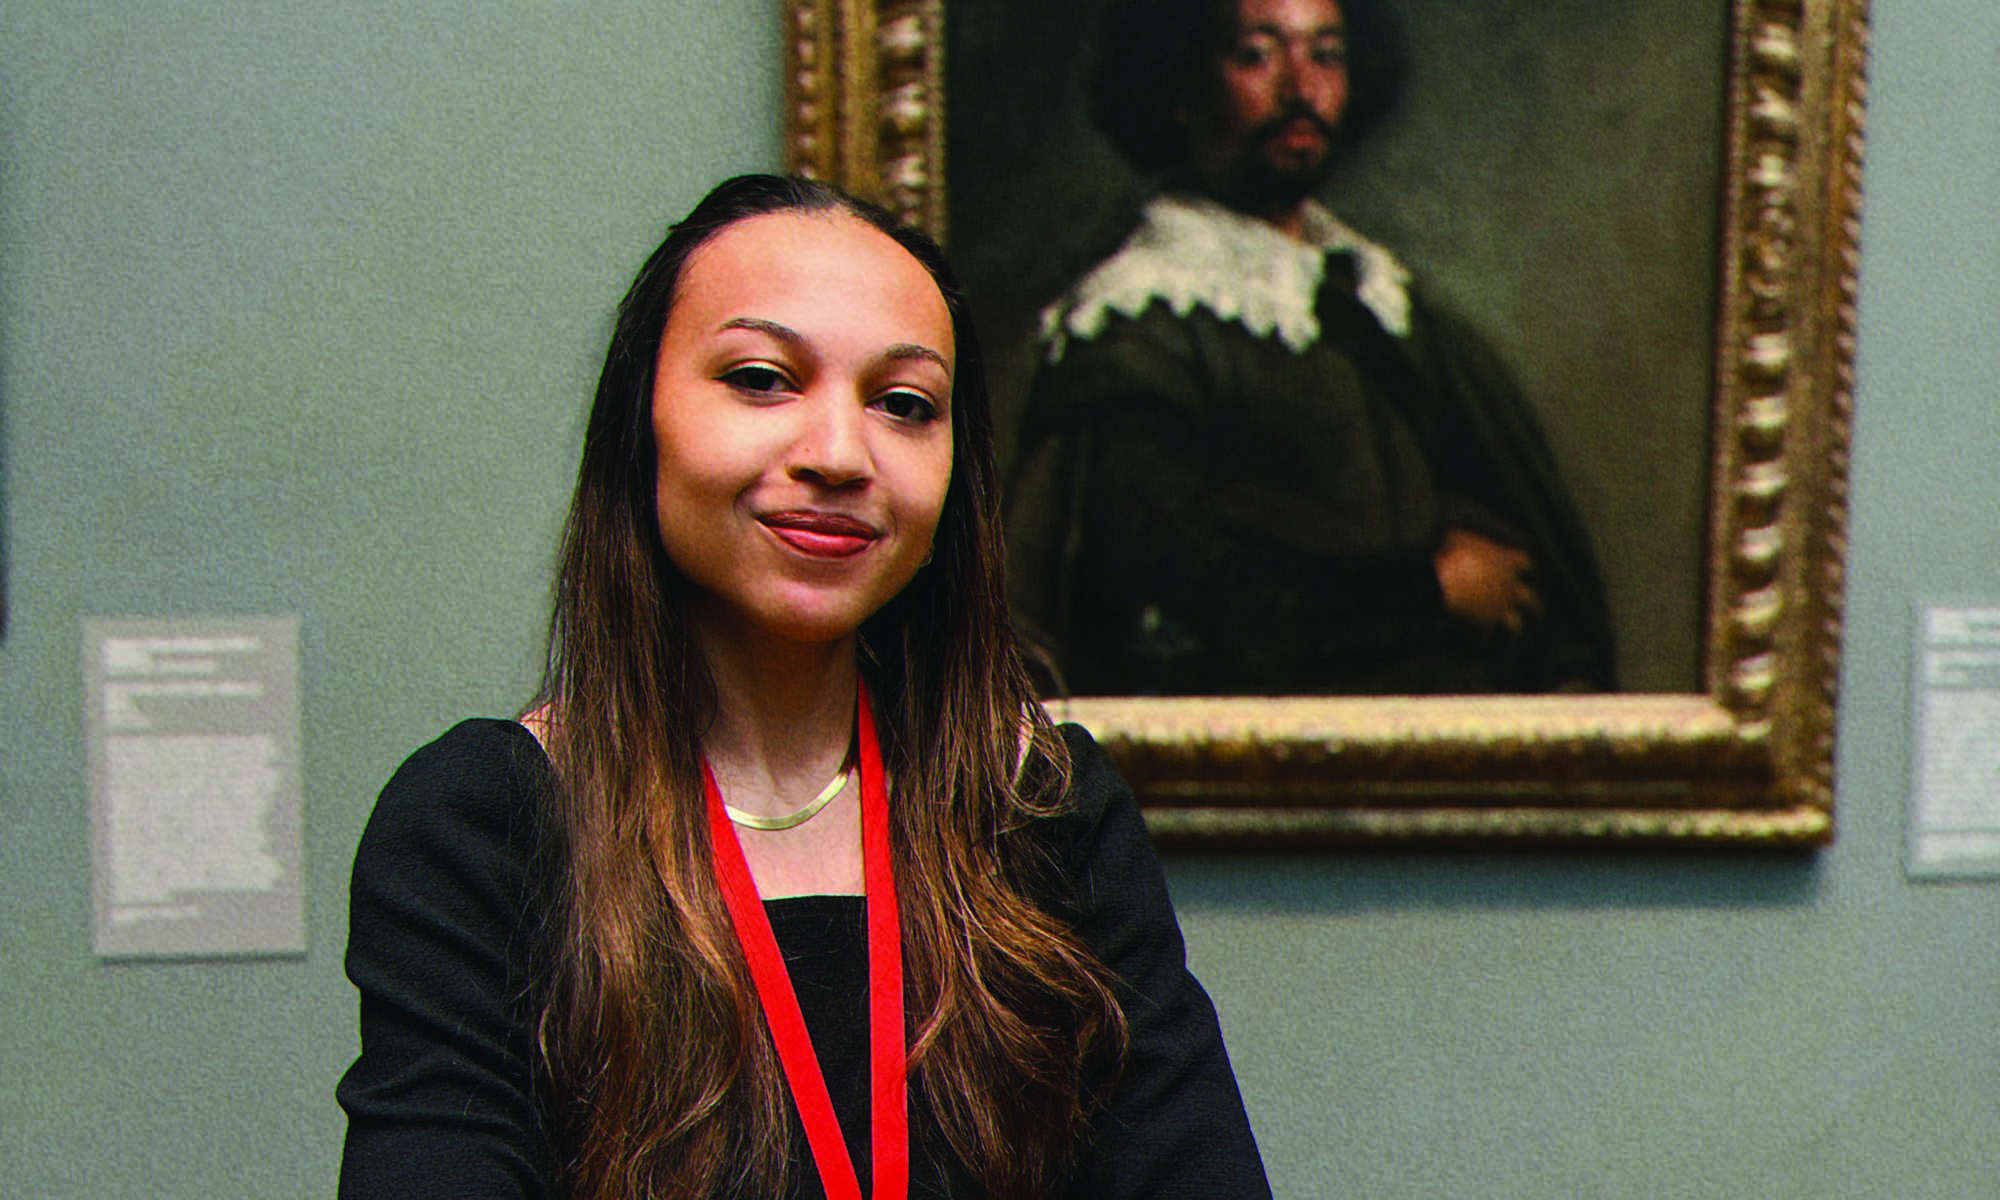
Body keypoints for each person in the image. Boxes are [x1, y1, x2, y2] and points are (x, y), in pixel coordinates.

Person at [335, 174, 1271, 1200]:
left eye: (903, 405)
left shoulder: (1042, 810)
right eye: (760, 378)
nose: (838, 454)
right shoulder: (483, 825)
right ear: (641, 421)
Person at [1008, 0, 1615, 696]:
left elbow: (1524, 552)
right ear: (1180, 87)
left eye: (1325, 54)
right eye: (1257, 55)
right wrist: (1428, 592)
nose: (1301, 89)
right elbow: (1169, 601)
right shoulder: (1140, 326)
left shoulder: (1376, 303)